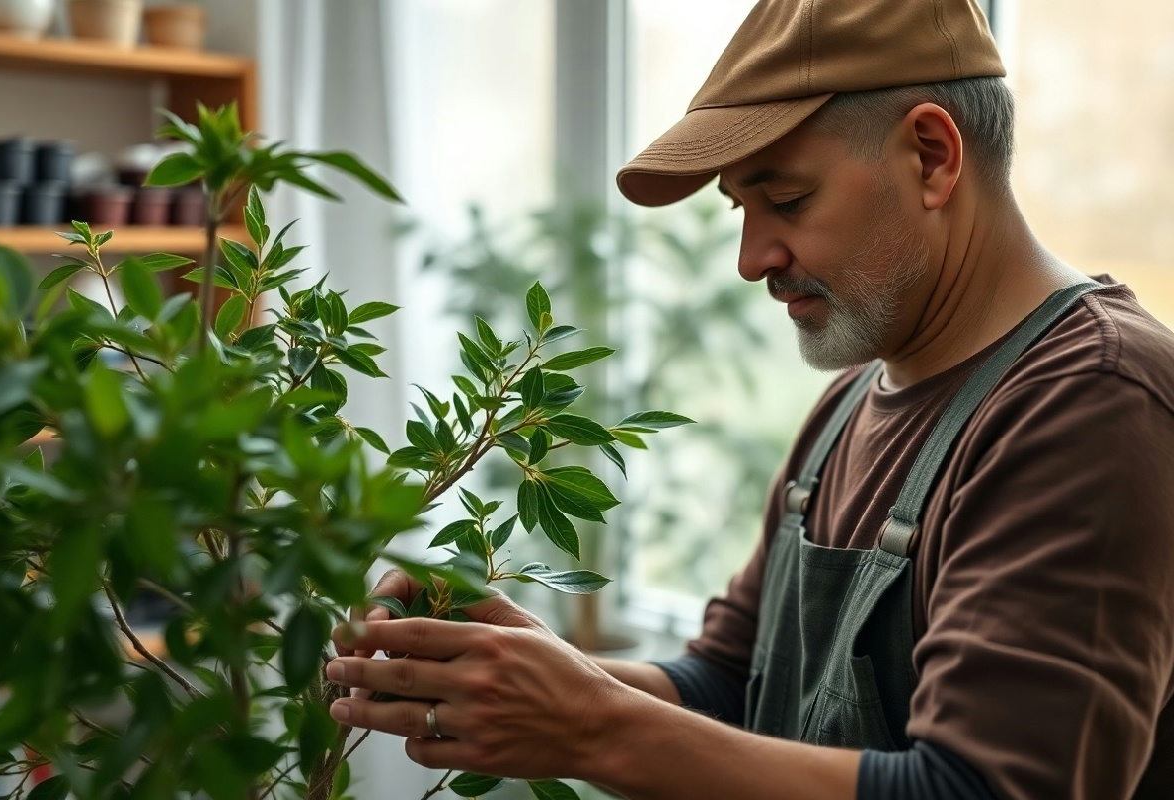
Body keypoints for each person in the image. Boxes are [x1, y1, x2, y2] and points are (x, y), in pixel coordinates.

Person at [322, 0, 1174, 797]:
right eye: (740, 209)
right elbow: (728, 685)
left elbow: (976, 786)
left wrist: (588, 725)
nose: (751, 257)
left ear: (932, 157)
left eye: (787, 198)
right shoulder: (850, 403)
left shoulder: (1091, 402)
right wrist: (517, 669)